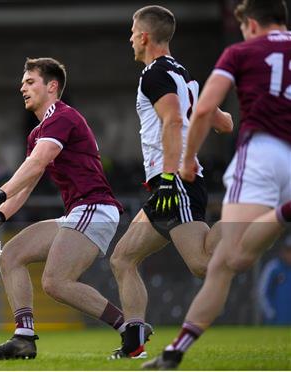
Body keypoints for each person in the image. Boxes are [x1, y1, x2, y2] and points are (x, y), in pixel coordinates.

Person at [143, 0, 291, 369]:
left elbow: (207, 111)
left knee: (228, 261)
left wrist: (188, 158)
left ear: (252, 25)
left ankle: (175, 352)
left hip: (263, 153)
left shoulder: (240, 52)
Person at [0, 57, 138, 360]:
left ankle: (128, 329)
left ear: (52, 86)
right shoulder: (38, 132)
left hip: (94, 209)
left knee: (55, 282)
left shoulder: (63, 117)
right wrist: (1, 213)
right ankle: (24, 337)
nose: (22, 88)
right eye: (22, 83)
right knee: (11, 255)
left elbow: (37, 163)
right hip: (79, 213)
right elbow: (29, 183)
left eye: (30, 82)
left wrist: (0, 191)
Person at [108, 5, 233, 359]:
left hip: (172, 181)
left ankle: (253, 221)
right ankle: (134, 341)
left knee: (201, 265)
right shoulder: (184, 75)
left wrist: (167, 177)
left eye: (133, 31)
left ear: (144, 36)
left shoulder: (155, 75)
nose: (130, 38)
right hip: (171, 182)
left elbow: (174, 122)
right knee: (122, 258)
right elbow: (224, 123)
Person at [258, 234, 291, 325]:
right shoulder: (274, 267)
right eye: (288, 251)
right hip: (276, 320)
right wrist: (270, 313)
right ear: (283, 251)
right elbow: (262, 292)